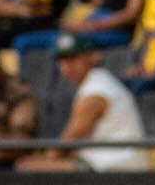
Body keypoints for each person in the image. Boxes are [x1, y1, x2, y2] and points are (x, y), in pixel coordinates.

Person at [15, 33, 146, 172]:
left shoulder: (96, 90)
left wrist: (44, 160)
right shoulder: (96, 81)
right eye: (62, 61)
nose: (67, 67)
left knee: (26, 166)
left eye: (73, 59)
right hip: (107, 163)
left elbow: (69, 141)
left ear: (92, 57)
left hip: (117, 168)